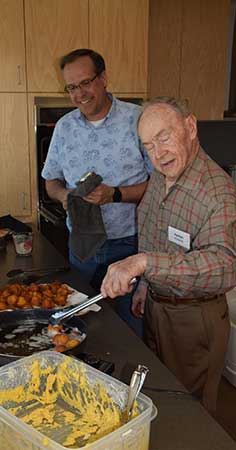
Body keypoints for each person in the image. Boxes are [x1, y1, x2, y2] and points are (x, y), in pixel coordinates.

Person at [101, 96, 236, 415]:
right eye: (149, 145)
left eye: (164, 137)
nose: (158, 154)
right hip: (157, 308)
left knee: (189, 414)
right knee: (160, 399)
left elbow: (225, 265)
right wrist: (146, 286)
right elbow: (153, 233)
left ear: (190, 127)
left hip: (194, 320)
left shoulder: (218, 191)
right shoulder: (161, 176)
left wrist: (144, 264)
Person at [41, 48, 152, 336]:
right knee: (80, 326)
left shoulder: (138, 120)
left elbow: (162, 186)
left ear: (103, 78)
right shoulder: (64, 128)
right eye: (72, 87)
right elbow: (50, 180)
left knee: (130, 328)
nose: (80, 94)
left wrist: (115, 194)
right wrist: (64, 196)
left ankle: (130, 379)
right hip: (82, 246)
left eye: (86, 82)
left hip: (130, 245)